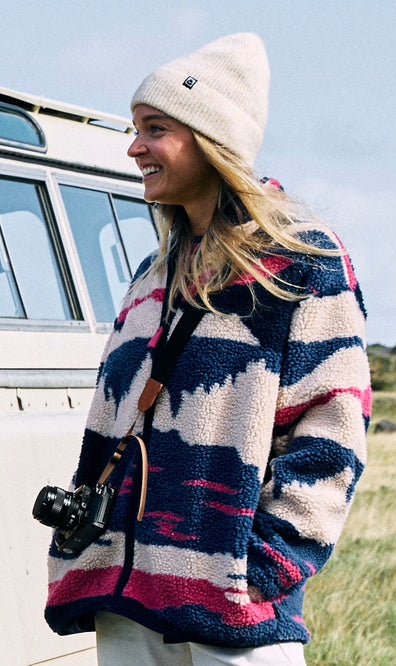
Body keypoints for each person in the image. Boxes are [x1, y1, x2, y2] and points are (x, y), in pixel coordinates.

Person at [43, 33, 371, 665]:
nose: (134, 146)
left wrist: (273, 559)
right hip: (128, 601)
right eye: (135, 128)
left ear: (210, 138)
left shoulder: (304, 263)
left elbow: (335, 419)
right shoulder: (150, 275)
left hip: (232, 604)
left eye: (154, 128)